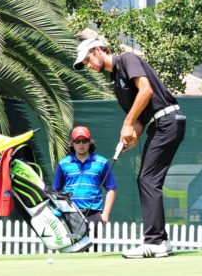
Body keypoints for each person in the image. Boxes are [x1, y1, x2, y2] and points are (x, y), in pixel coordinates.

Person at [74, 38, 186, 258]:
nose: (88, 65)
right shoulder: (116, 81)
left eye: (88, 59)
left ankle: (155, 242)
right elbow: (140, 121)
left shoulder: (126, 59)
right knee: (147, 179)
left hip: (168, 121)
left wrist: (127, 123)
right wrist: (130, 137)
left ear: (98, 50)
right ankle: (161, 241)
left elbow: (146, 91)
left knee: (147, 179)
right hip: (158, 125)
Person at [52, 126, 117, 233]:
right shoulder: (63, 163)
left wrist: (106, 213)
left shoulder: (102, 162)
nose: (81, 144)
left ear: (89, 142)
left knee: (93, 249)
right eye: (78, 141)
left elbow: (111, 189)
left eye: (84, 141)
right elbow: (56, 190)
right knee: (73, 249)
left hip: (94, 214)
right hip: (70, 212)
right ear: (72, 143)